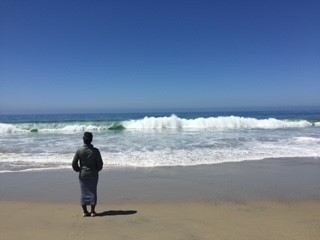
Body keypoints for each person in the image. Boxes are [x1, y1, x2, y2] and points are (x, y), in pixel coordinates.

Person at [72, 132, 103, 217]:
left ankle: (85, 211)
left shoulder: (79, 150)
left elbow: (74, 163)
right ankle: (92, 211)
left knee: (84, 192)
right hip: (93, 174)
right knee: (93, 192)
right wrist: (97, 170)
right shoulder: (96, 151)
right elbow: (100, 164)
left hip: (83, 174)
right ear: (91, 140)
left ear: (83, 140)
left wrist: (78, 169)